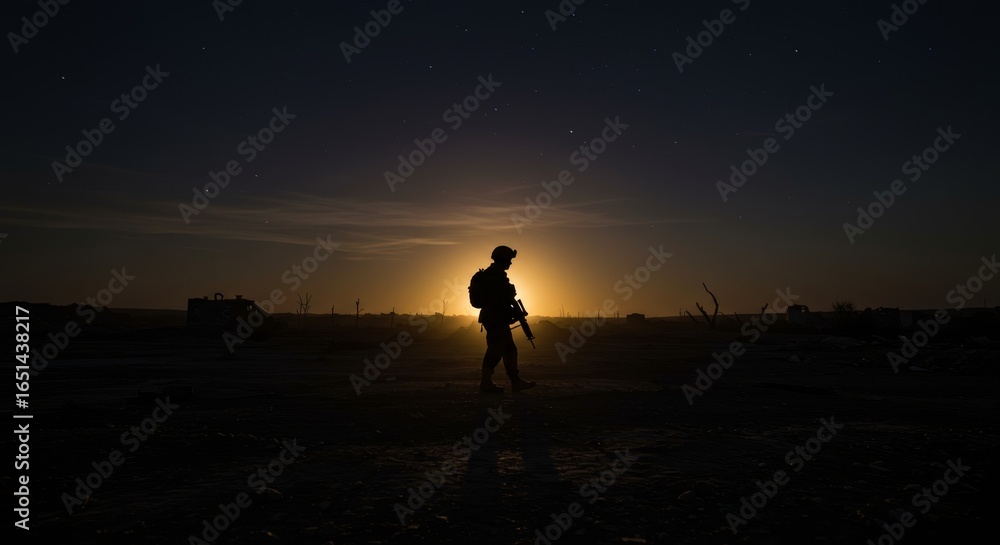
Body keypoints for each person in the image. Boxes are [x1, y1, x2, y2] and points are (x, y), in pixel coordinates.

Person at [477, 245, 536, 393]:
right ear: (503, 259)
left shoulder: (497, 276)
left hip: (497, 318)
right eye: (509, 259)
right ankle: (486, 383)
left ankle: (514, 382)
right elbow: (498, 301)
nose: (510, 263)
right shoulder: (494, 277)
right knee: (495, 351)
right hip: (494, 319)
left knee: (509, 349)